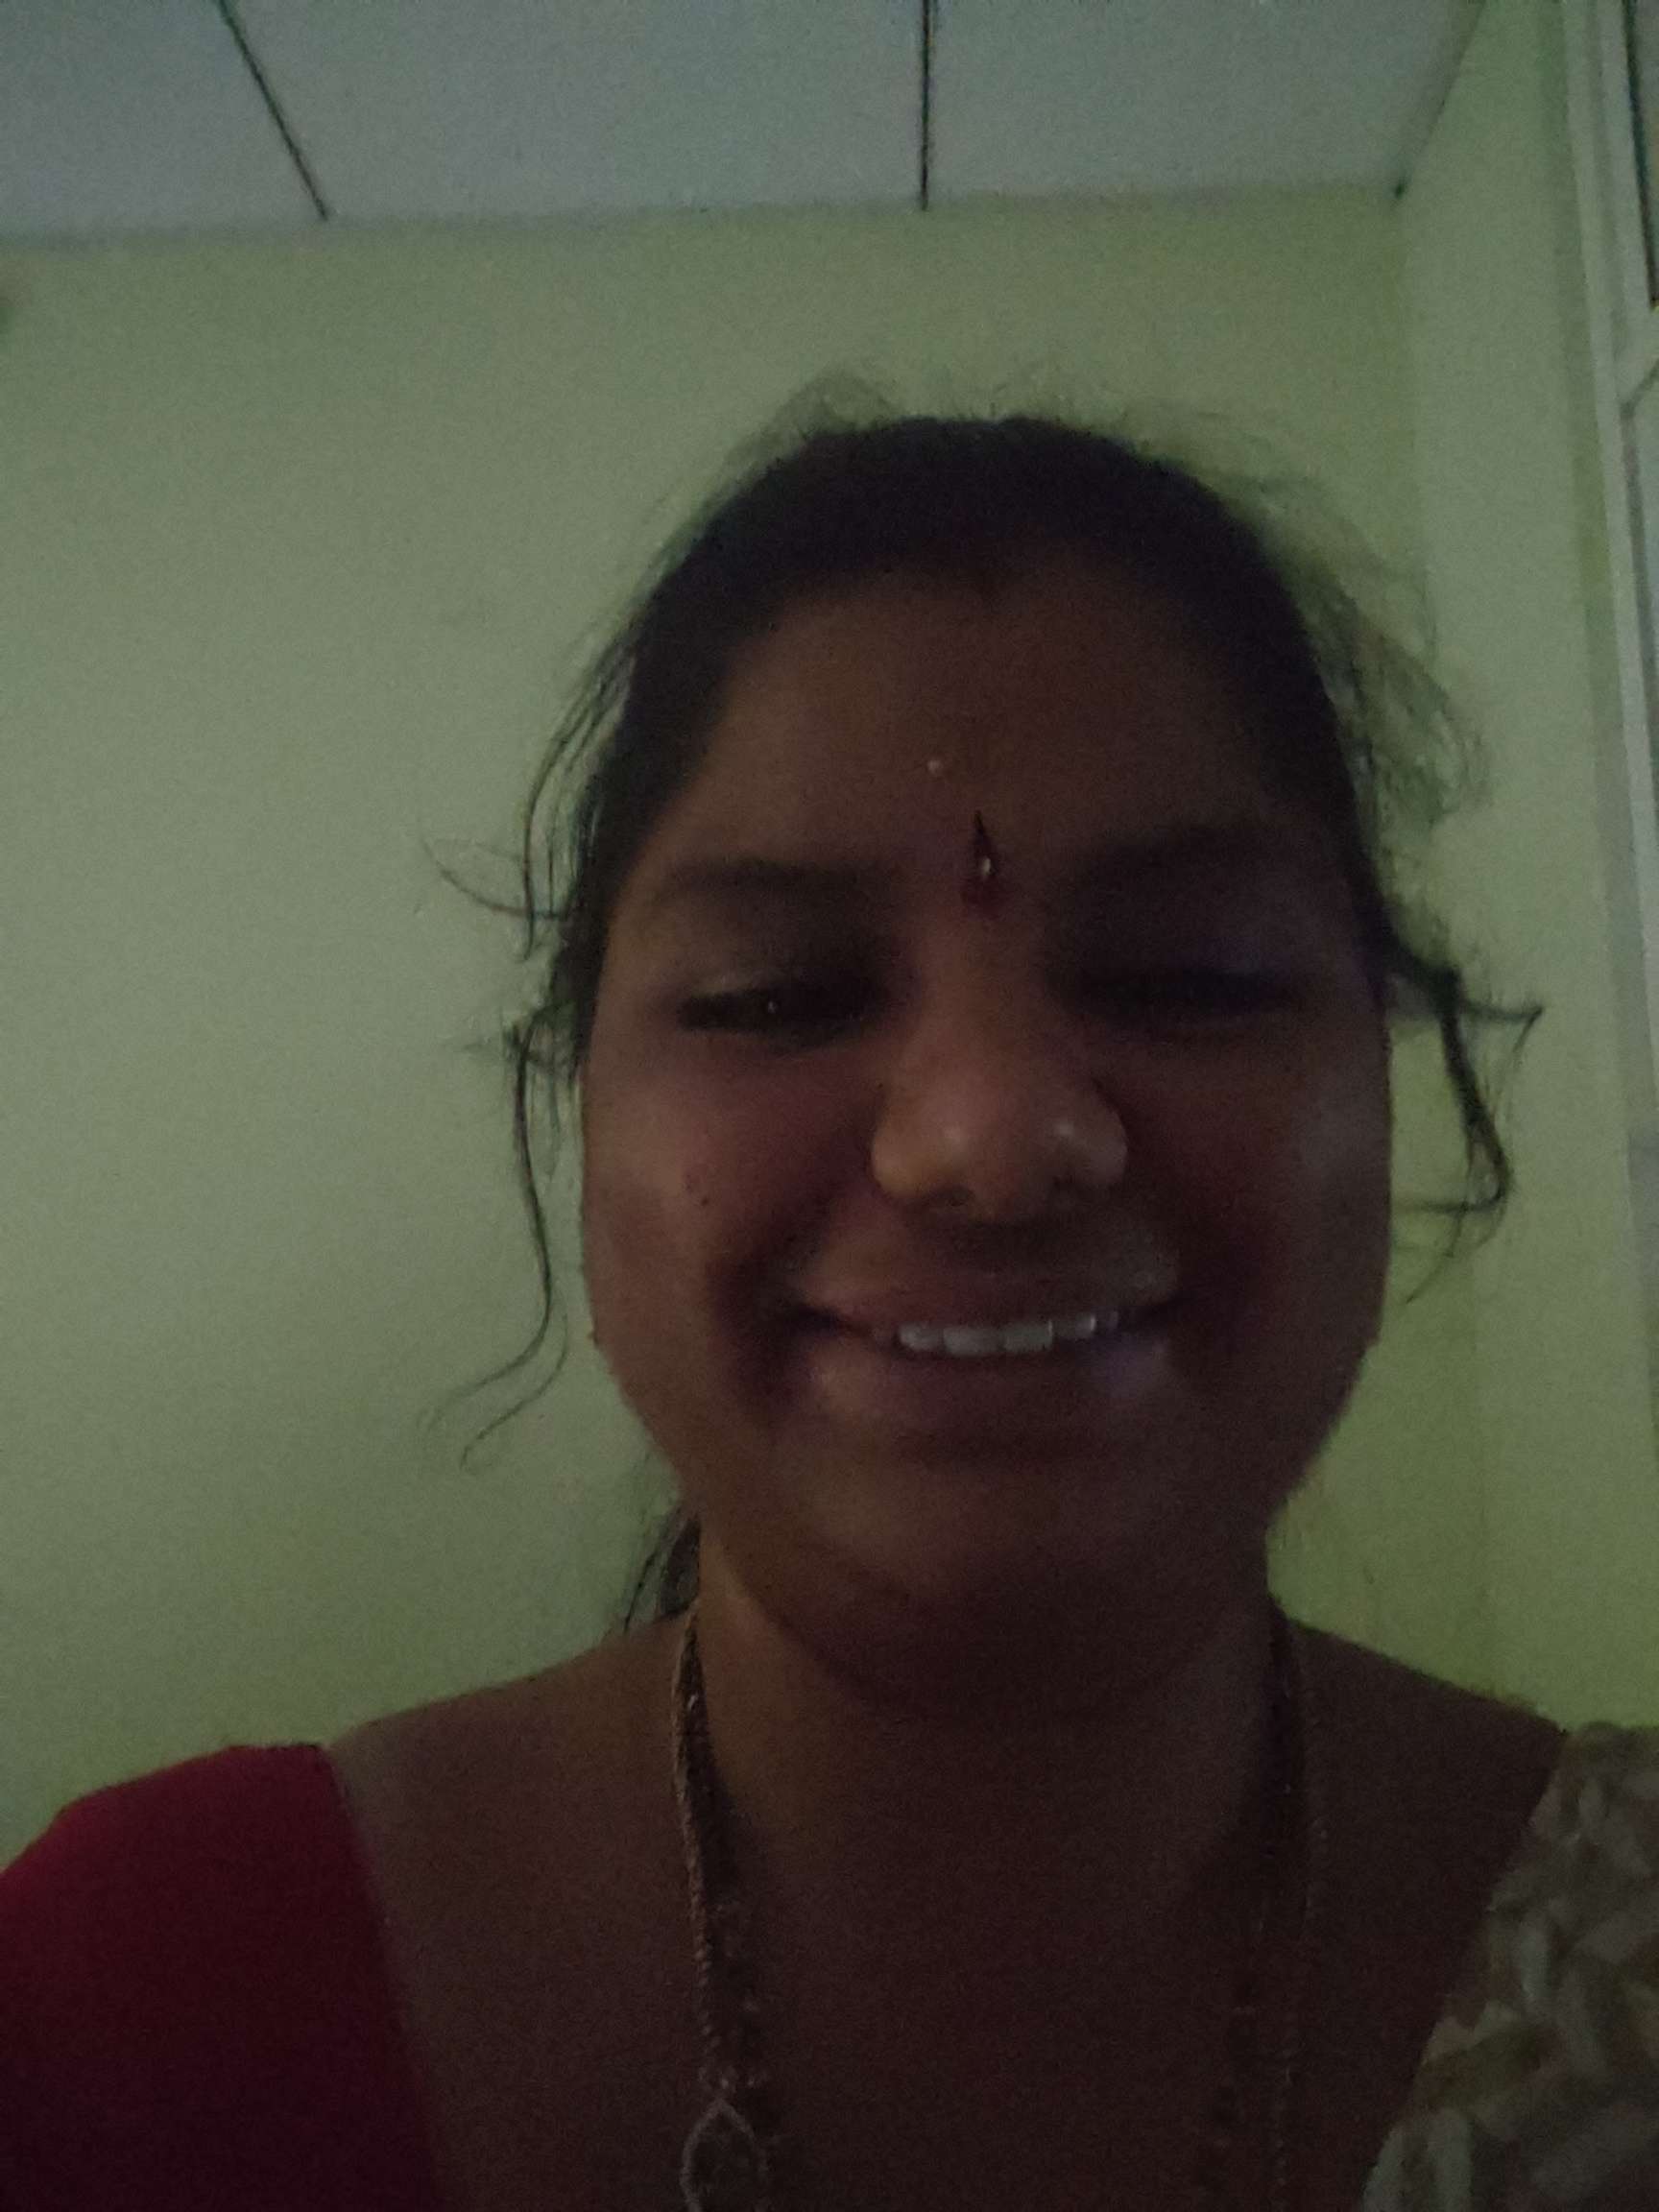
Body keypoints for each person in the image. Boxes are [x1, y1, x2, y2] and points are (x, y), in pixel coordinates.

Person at [3, 395, 1657, 2212]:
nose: (992, 1138)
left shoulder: (1628, 1959)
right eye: (777, 997)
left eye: (1191, 974)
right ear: (580, 1113)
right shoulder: (126, 2017)